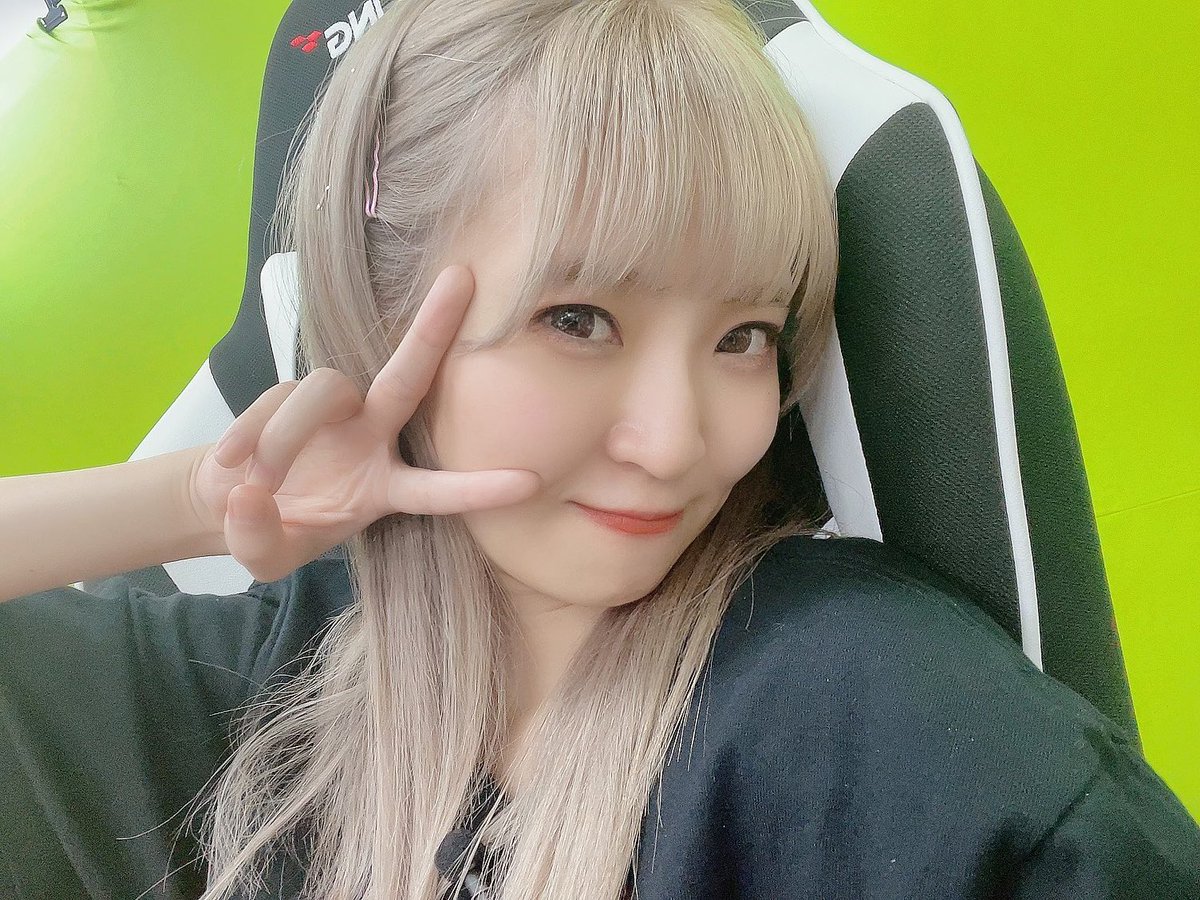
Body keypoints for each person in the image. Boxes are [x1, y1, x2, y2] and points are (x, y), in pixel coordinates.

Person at [2, 1, 1198, 899]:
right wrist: (193, 500)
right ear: (385, 319)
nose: (676, 443)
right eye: (578, 320)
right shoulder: (284, 691)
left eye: (744, 336)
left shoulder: (864, 712)